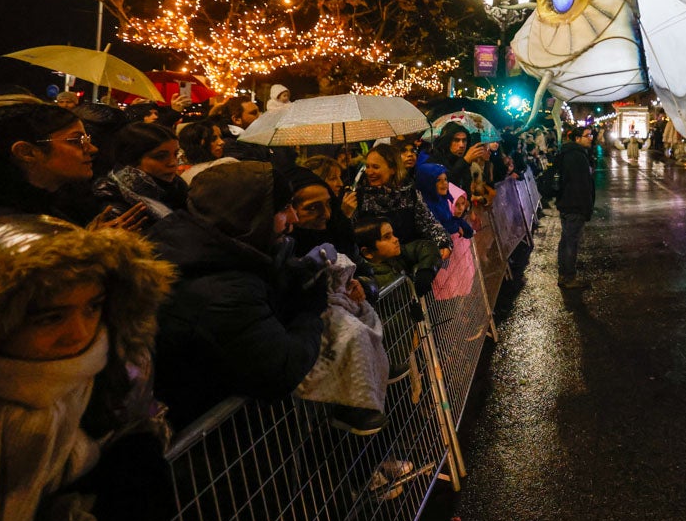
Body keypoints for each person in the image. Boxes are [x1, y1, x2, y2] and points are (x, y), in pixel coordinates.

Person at [0, 215, 174, 521]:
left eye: (93, 307)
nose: (78, 334)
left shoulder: (114, 374)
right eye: (49, 318)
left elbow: (143, 426)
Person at [146, 162, 338, 429]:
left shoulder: (216, 252)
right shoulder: (220, 291)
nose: (294, 218)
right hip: (218, 441)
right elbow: (281, 369)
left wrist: (294, 280)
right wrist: (310, 310)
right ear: (250, 215)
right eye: (283, 208)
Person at [0, 103, 145, 233]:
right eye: (76, 141)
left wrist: (88, 239)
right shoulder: (0, 225)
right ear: (26, 152)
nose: (92, 149)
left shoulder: (48, 203)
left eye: (87, 139)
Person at [353, 144, 451, 257]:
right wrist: (345, 215)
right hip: (376, 265)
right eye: (367, 166)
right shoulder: (359, 198)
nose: (369, 172)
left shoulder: (410, 193)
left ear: (393, 169)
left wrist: (443, 242)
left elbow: (429, 224)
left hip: (409, 259)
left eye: (375, 167)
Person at [93, 122, 188, 217]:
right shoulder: (114, 201)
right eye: (160, 157)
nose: (173, 163)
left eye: (175, 154)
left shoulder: (177, 186)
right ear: (132, 160)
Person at [554, 125, 595, 290]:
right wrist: (586, 208)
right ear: (577, 139)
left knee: (565, 240)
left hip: (565, 203)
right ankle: (569, 277)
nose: (590, 138)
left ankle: (563, 274)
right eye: (587, 135)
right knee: (571, 242)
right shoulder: (577, 156)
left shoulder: (565, 153)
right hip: (575, 205)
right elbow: (582, 185)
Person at [433, 122, 488, 192]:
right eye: (456, 140)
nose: (462, 145)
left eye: (464, 140)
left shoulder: (464, 159)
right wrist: (465, 161)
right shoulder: (437, 158)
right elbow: (447, 184)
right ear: (448, 141)